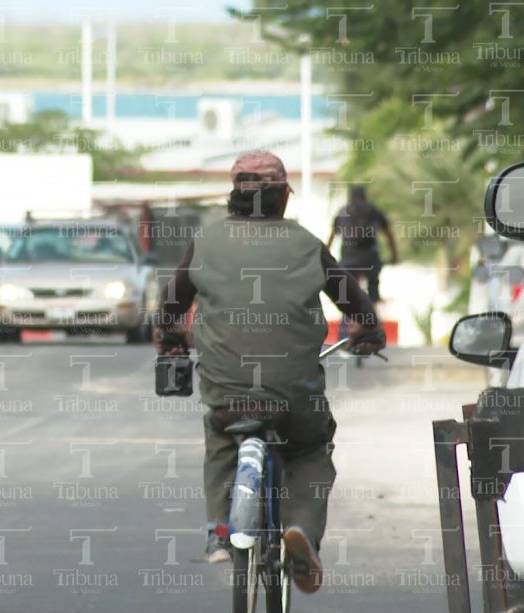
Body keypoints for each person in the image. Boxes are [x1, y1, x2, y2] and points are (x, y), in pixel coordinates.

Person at [155, 151, 385, 595]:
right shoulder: (305, 244)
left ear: (234, 195)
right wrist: (367, 332)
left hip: (227, 391)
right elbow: (357, 306)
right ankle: (301, 529)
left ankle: (220, 532)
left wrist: (170, 339)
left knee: (221, 434)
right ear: (282, 196)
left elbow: (170, 308)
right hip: (294, 393)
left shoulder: (206, 242)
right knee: (310, 449)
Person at [326, 186, 398, 303]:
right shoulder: (373, 210)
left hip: (348, 258)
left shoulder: (343, 212)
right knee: (373, 292)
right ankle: (372, 311)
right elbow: (388, 234)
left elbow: (332, 236)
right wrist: (394, 255)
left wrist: (326, 257)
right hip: (370, 258)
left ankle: (347, 318)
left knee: (348, 297)